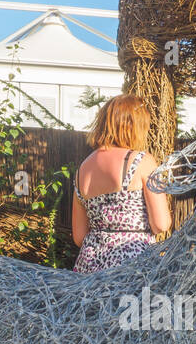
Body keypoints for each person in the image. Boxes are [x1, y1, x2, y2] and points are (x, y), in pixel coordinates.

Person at [71, 94, 172, 273]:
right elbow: (161, 224)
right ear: (135, 127)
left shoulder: (83, 169)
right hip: (131, 263)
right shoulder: (142, 161)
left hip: (89, 265)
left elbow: (79, 236)